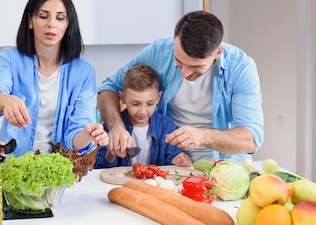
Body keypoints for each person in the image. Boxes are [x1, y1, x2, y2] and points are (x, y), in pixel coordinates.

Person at [97, 10, 263, 162]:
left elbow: (251, 138)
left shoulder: (241, 68)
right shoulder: (159, 52)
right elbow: (108, 89)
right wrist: (116, 126)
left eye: (196, 67)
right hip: (169, 164)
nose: (185, 73)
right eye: (179, 62)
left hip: (224, 168)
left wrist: (203, 136)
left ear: (218, 53)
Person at [0, 0, 109, 157]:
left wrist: (87, 134)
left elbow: (76, 135)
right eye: (43, 16)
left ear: (68, 24)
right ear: (30, 21)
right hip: (13, 164)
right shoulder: (11, 58)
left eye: (60, 18)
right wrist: (6, 100)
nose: (51, 24)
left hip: (57, 169)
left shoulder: (83, 72)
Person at [94, 63, 192, 168]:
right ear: (122, 97)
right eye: (135, 104)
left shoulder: (166, 126)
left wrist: (178, 159)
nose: (143, 112)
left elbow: (173, 157)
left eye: (150, 104)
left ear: (158, 98)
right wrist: (111, 153)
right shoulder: (113, 127)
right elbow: (99, 167)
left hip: (154, 183)